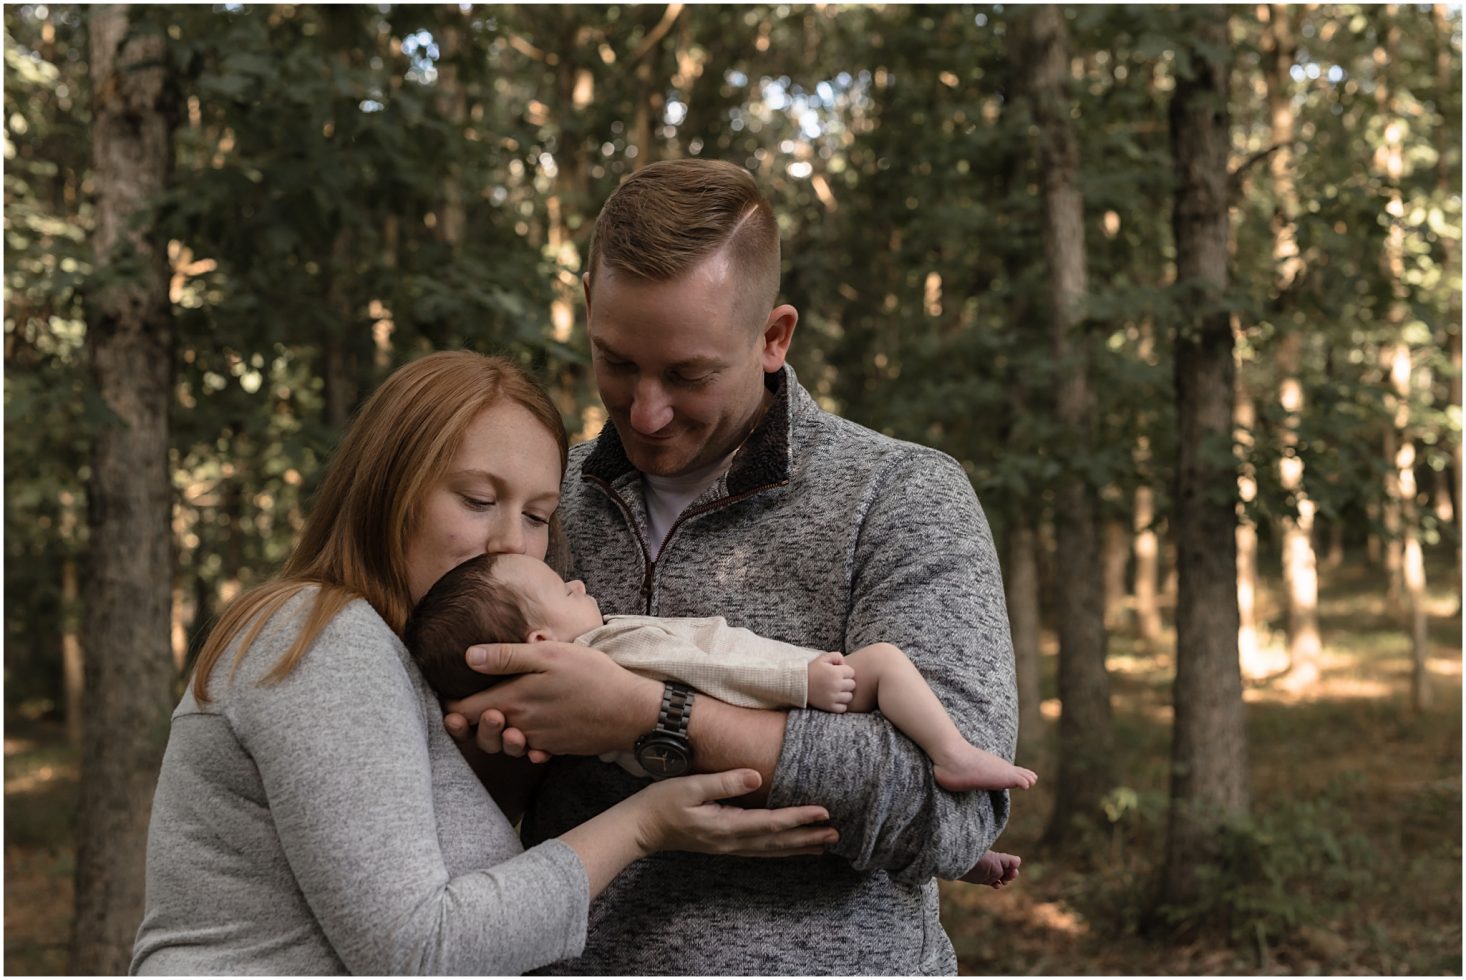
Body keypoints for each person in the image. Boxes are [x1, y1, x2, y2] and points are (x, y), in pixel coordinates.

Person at [444, 160, 1020, 973]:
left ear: (774, 336)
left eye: (688, 374)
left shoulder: (901, 496)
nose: (647, 411)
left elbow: (952, 818)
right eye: (616, 361)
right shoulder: (539, 500)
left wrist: (658, 716)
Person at [130, 351, 836, 976]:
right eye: (477, 500)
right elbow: (418, 952)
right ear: (388, 490)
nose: (511, 544)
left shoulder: (401, 660)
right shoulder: (325, 638)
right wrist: (646, 825)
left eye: (536, 516)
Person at [407, 551, 1029, 888]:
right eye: (563, 591)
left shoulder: (580, 682)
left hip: (724, 775)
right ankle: (952, 753)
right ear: (541, 639)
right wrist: (801, 679)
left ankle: (960, 854)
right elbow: (708, 667)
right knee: (887, 664)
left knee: (811, 816)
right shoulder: (613, 651)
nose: (577, 581)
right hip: (783, 694)